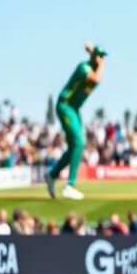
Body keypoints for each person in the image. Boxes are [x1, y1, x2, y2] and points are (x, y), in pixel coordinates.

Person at [45, 43, 107, 200]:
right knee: (78, 142)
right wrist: (99, 61)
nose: (103, 60)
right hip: (65, 106)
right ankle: (70, 186)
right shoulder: (84, 68)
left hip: (74, 109)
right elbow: (96, 79)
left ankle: (53, 175)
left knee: (76, 146)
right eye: (101, 56)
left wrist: (95, 55)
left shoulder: (92, 66)